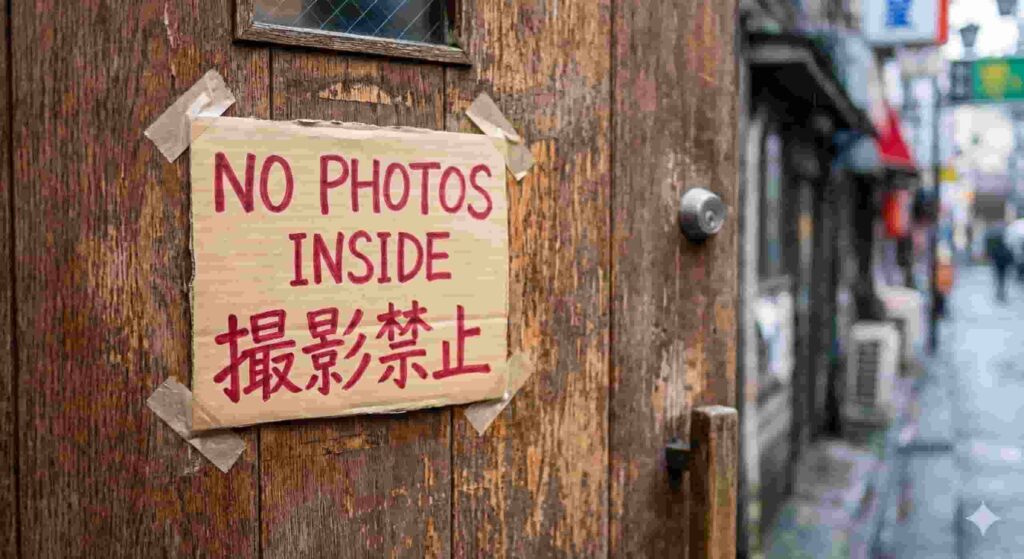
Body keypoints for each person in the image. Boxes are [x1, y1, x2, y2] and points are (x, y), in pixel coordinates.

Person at [985, 224, 1014, 302]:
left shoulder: (994, 243)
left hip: (998, 262)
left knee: (999, 277)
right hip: (1003, 263)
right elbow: (1010, 253)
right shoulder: (1006, 242)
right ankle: (1001, 292)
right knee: (1003, 278)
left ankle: (999, 292)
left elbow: (992, 253)